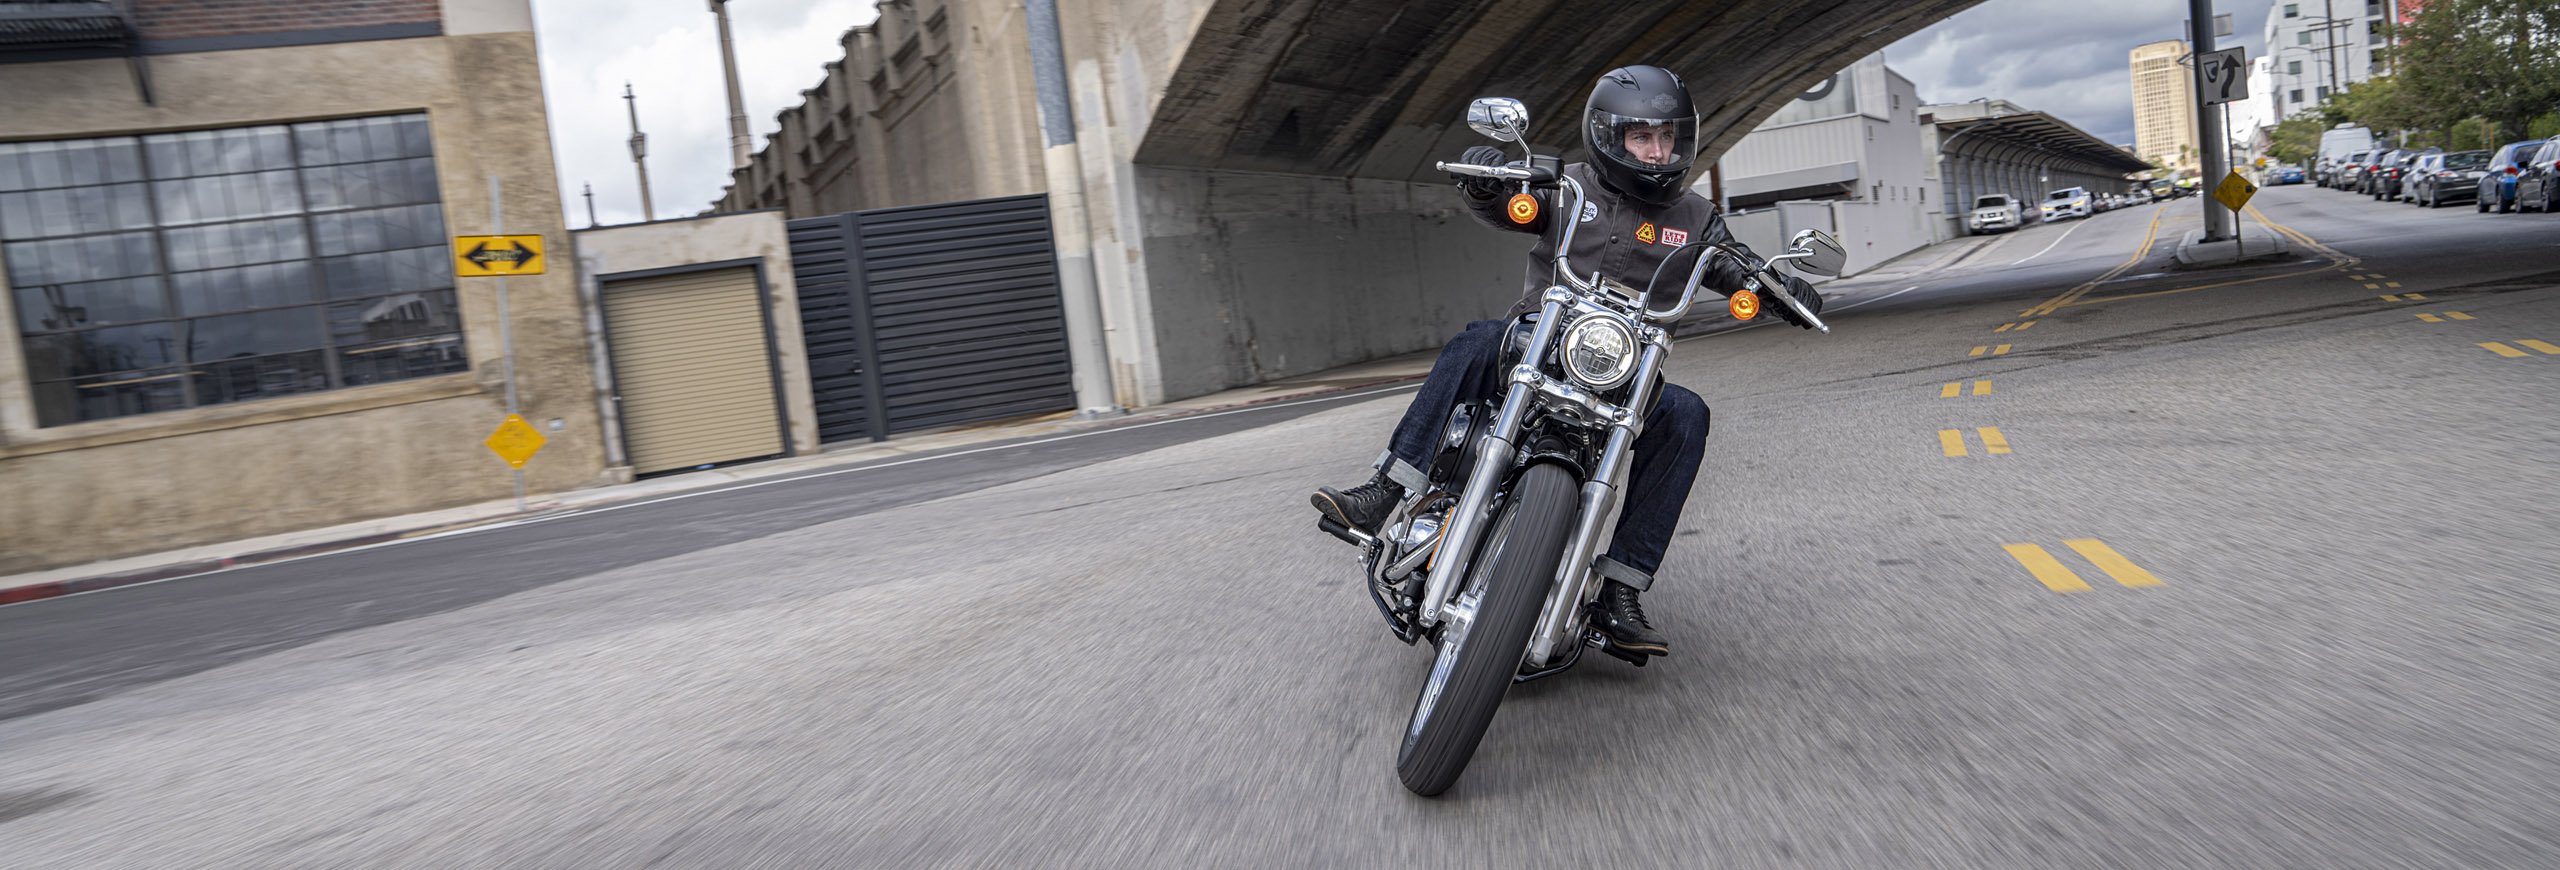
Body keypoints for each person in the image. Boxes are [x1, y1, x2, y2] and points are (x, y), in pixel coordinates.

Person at [1310, 64, 1823, 658]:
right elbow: (1507, 204)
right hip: (1536, 342)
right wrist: (1490, 183)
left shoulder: (1696, 219)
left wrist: (1776, 288)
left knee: (1687, 415)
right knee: (1477, 341)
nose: (1656, 152)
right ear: (1609, 135)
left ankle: (1620, 591)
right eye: (1642, 137)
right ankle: (1387, 490)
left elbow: (1734, 263)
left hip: (1627, 375)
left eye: (1667, 138)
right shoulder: (1565, 184)